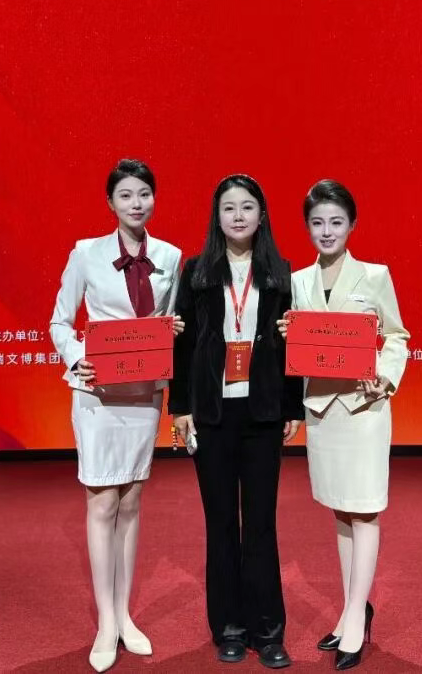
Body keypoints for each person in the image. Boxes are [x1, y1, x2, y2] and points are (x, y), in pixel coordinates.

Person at [49, 159, 183, 673]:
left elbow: (171, 323)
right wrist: (75, 357)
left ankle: (126, 614)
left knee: (131, 500)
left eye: (144, 193)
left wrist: (174, 331)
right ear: (111, 202)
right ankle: (105, 621)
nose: (136, 203)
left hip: (143, 394)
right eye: (126, 195)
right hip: (98, 394)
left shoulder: (170, 256)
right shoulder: (86, 253)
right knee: (102, 499)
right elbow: (60, 321)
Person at [170, 174, 304, 669]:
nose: (238, 216)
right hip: (212, 414)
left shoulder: (281, 273)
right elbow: (183, 344)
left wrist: (292, 408)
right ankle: (228, 627)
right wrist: (180, 409)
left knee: (262, 525)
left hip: (263, 413)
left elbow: (292, 346)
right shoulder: (196, 272)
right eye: (229, 208)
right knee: (222, 523)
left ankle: (268, 631)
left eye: (247, 207)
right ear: (217, 217)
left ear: (261, 216)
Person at [279, 180, 410, 670]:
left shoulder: (375, 276)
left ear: (352, 224)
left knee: (365, 510)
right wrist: (286, 333)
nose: (327, 231)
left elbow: (397, 335)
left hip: (363, 409)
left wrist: (386, 378)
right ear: (307, 227)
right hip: (322, 411)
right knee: (340, 509)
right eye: (317, 223)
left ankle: (355, 615)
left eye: (336, 221)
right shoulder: (297, 282)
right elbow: (299, 347)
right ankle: (351, 609)